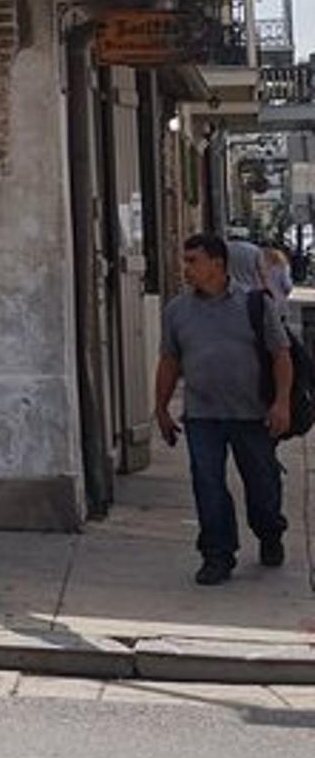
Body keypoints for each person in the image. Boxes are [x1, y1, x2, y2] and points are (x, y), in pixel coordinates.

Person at [154, 232, 293, 585]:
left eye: (193, 261)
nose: (186, 269)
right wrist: (161, 408)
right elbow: (169, 361)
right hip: (203, 415)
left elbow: (281, 355)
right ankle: (217, 555)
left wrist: (281, 403)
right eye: (184, 261)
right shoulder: (177, 311)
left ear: (217, 264)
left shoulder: (255, 304)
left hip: (252, 414)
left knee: (262, 485)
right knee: (208, 484)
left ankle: (270, 532)